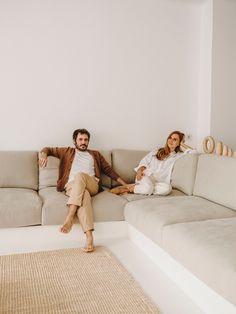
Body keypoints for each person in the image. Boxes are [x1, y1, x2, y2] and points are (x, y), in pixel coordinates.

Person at [39, 128, 127, 253]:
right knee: (84, 194)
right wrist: (43, 154)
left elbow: (109, 171)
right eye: (80, 139)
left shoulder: (95, 154)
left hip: (91, 183)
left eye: (86, 140)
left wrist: (126, 185)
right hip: (71, 186)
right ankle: (89, 237)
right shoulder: (67, 151)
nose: (83, 142)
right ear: (74, 141)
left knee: (80, 175)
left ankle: (69, 218)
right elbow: (48, 149)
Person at [111, 131, 195, 196]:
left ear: (179, 143)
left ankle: (134, 187)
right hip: (145, 176)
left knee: (167, 189)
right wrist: (140, 172)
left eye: (175, 139)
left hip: (158, 182)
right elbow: (144, 162)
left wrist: (182, 144)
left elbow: (194, 152)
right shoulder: (157, 150)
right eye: (170, 137)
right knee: (148, 188)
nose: (171, 140)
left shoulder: (178, 156)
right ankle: (128, 189)